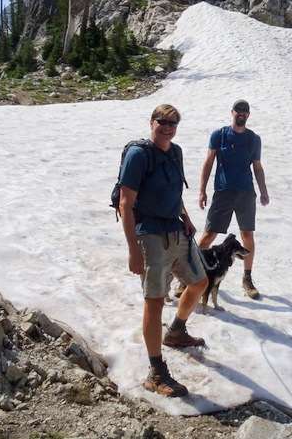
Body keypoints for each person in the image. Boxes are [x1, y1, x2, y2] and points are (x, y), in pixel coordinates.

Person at [118, 104, 209, 398]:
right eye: (162, 122)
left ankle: (176, 331)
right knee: (155, 300)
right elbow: (125, 203)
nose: (168, 127)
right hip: (150, 235)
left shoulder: (175, 151)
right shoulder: (138, 155)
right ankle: (156, 372)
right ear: (151, 122)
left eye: (173, 123)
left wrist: (186, 216)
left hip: (176, 228)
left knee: (199, 282)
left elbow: (175, 190)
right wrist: (133, 250)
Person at [197, 99, 269, 298]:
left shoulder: (253, 139)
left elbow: (257, 166)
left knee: (247, 236)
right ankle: (192, 274)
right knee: (208, 235)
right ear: (232, 112)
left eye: (245, 111)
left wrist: (263, 191)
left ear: (248, 114)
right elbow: (208, 162)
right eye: (238, 110)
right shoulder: (219, 136)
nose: (241, 114)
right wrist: (202, 190)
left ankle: (247, 278)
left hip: (246, 193)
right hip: (223, 192)